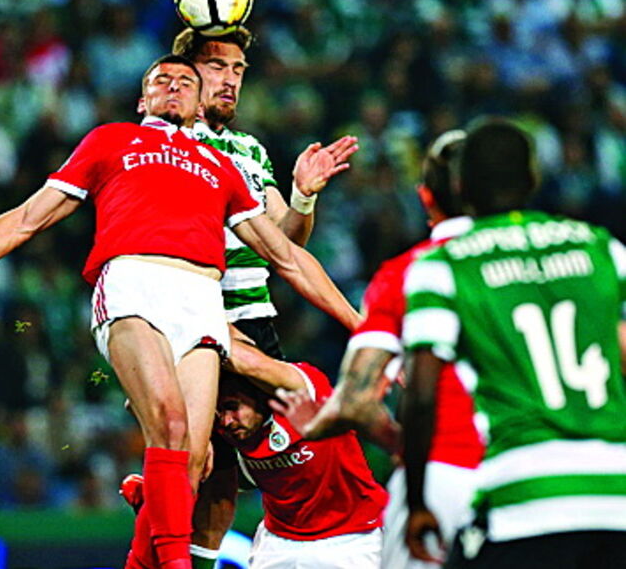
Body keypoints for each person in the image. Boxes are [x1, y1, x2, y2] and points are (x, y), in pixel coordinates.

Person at [0, 54, 361, 569]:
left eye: (186, 82)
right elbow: (26, 219)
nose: (174, 87)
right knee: (170, 423)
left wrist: (362, 325)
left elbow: (288, 257)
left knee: (193, 462)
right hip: (134, 284)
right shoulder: (111, 140)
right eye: (161, 80)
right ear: (141, 99)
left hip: (203, 298)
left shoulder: (222, 166)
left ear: (197, 103)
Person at [171, 26, 357, 569]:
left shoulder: (249, 149)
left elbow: (285, 243)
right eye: (216, 66)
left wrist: (303, 196)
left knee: (242, 473)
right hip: (200, 318)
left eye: (238, 70)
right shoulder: (169, 140)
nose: (230, 80)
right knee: (196, 464)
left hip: (256, 321)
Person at [401, 119, 626, 567]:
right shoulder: (601, 247)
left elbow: (422, 395)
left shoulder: (442, 267)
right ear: (532, 179)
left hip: (522, 496)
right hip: (615, 492)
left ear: (461, 187)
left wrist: (417, 501)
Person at [272, 131, 484, 569]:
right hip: (560, 480)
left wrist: (319, 423)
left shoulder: (411, 274)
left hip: (446, 477)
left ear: (425, 197)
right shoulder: (581, 255)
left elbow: (356, 402)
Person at [215, 330, 387, 568]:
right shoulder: (226, 431)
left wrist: (201, 324)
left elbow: (252, 364)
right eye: (219, 413)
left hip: (352, 538)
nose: (226, 421)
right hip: (278, 543)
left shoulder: (304, 392)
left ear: (259, 394)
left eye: (232, 407)